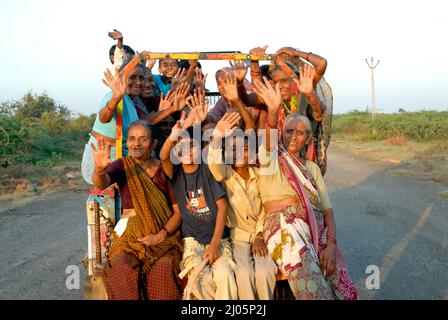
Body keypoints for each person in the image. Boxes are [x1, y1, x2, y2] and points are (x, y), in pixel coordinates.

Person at [253, 74, 357, 300]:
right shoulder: (272, 160)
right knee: (315, 288)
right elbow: (269, 143)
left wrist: (330, 244)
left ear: (308, 139)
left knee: (340, 280)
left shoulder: (312, 168)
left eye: (300, 132)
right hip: (283, 228)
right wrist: (272, 112)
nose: (293, 137)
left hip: (316, 229)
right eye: (289, 131)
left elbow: (327, 210)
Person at [90, 120, 184, 300]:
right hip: (129, 239)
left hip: (163, 238)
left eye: (143, 139)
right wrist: (100, 170)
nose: (136, 144)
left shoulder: (164, 170)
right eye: (132, 139)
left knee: (164, 269)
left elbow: (178, 212)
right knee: (121, 268)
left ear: (154, 143)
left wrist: (160, 235)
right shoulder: (123, 165)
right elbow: (101, 183)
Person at [160, 90, 238, 300]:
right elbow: (163, 156)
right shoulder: (175, 174)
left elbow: (222, 207)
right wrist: (173, 136)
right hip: (193, 241)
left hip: (218, 239)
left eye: (192, 145)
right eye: (181, 146)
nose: (187, 150)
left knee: (225, 274)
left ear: (200, 149)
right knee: (198, 277)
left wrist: (214, 245)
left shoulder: (208, 169)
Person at [207, 75, 278, 300]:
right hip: (237, 237)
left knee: (265, 270)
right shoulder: (225, 174)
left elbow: (268, 207)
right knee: (245, 272)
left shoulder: (260, 175)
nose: (240, 153)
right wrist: (217, 138)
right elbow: (214, 164)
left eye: (245, 149)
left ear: (253, 153)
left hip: (260, 234)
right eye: (234, 149)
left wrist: (259, 235)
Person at [242, 46, 330, 175]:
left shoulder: (304, 94)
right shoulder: (276, 98)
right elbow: (249, 99)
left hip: (306, 162)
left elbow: (321, 63)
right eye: (276, 82)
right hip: (281, 162)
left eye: (284, 81)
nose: (280, 86)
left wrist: (295, 52)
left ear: (295, 79)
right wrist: (254, 63)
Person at [81, 61, 144, 185]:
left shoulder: (131, 102)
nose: (138, 82)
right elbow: (104, 118)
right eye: (132, 77)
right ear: (121, 78)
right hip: (103, 157)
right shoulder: (114, 96)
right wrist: (115, 98)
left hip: (123, 156)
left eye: (141, 78)